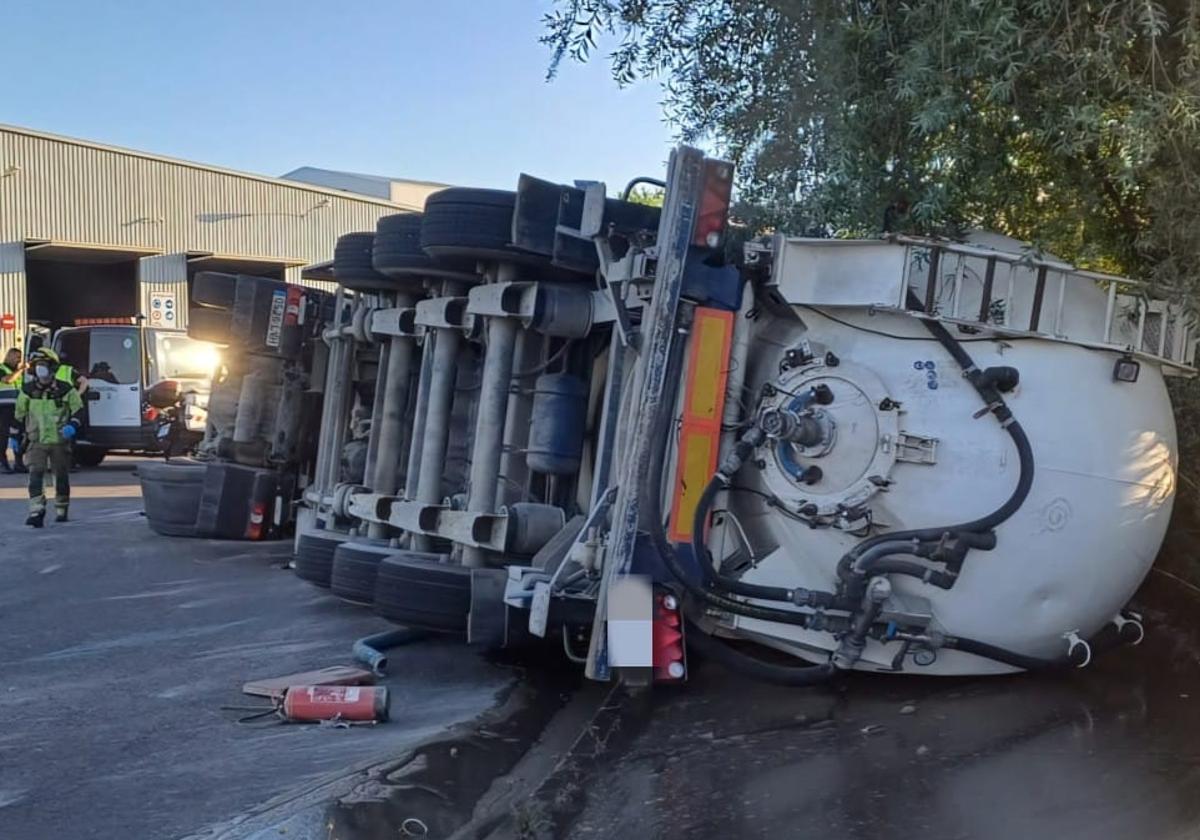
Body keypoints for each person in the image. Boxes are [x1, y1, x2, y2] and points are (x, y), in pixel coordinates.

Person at [15, 348, 83, 527]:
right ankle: (36, 510)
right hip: (36, 442)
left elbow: (79, 410)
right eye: (37, 365)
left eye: (43, 365)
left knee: (60, 476)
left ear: (52, 368)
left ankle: (61, 508)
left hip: (60, 441)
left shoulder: (65, 389)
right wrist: (15, 436)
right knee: (35, 474)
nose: (40, 369)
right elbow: (19, 415)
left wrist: (73, 425)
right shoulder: (28, 390)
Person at [0, 348, 24, 474]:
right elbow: (8, 380)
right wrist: (20, 370)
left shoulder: (17, 371)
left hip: (17, 407)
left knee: (18, 435)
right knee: (3, 436)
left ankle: (18, 462)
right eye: (16, 357)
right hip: (3, 407)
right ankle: (3, 463)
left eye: (20, 357)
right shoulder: (2, 368)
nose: (19, 360)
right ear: (9, 356)